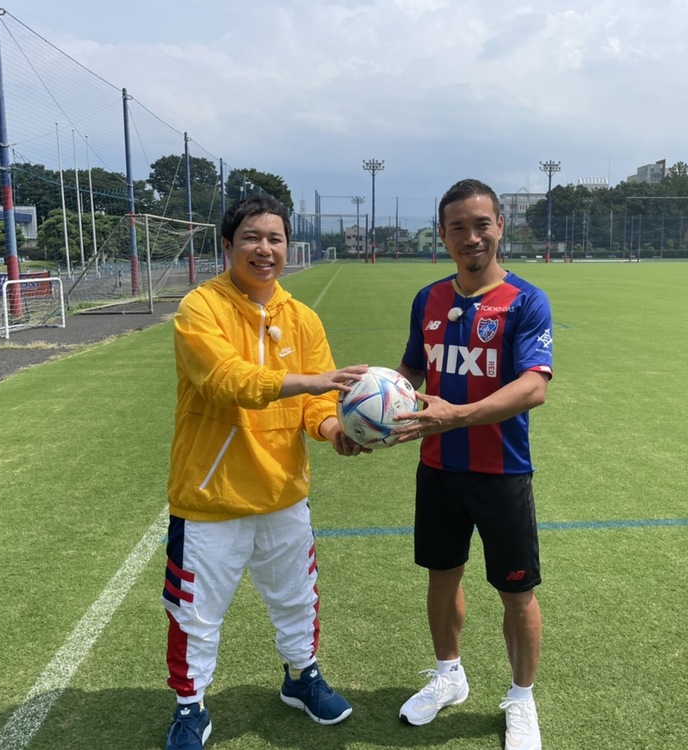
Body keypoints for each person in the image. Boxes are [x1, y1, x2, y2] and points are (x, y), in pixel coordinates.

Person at [162, 194, 367, 750]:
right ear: (228, 245)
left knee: (297, 598)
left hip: (283, 494)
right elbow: (224, 381)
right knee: (194, 614)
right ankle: (190, 708)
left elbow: (316, 405)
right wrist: (311, 382)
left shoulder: (302, 319)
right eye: (252, 237)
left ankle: (301, 678)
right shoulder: (200, 308)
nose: (265, 249)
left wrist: (333, 430)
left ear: (287, 247)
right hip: (211, 497)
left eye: (275, 238)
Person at [395, 179, 553, 750]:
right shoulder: (428, 300)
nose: (471, 237)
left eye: (482, 224)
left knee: (517, 592)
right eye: (457, 227)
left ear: (500, 226)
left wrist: (456, 415)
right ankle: (449, 675)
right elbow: (412, 372)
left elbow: (533, 387)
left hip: (502, 472)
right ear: (442, 235)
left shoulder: (525, 301)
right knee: (442, 577)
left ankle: (521, 698)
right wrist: (373, 409)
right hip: (438, 469)